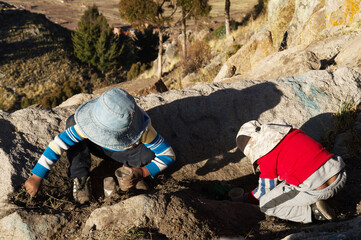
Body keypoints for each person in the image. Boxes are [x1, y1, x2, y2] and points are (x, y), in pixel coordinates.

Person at [25, 88, 176, 204]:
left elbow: (168, 155)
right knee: (72, 126)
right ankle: (80, 177)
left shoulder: (143, 130)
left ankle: (129, 174)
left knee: (147, 154)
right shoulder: (88, 126)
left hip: (125, 155)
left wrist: (142, 172)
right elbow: (58, 144)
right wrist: (37, 176)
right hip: (96, 147)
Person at [234, 120, 346, 223]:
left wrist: (245, 198)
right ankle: (327, 200)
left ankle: (313, 213)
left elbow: (264, 190)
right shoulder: (292, 133)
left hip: (318, 188)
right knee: (290, 181)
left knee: (266, 205)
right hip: (339, 173)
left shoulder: (265, 157)